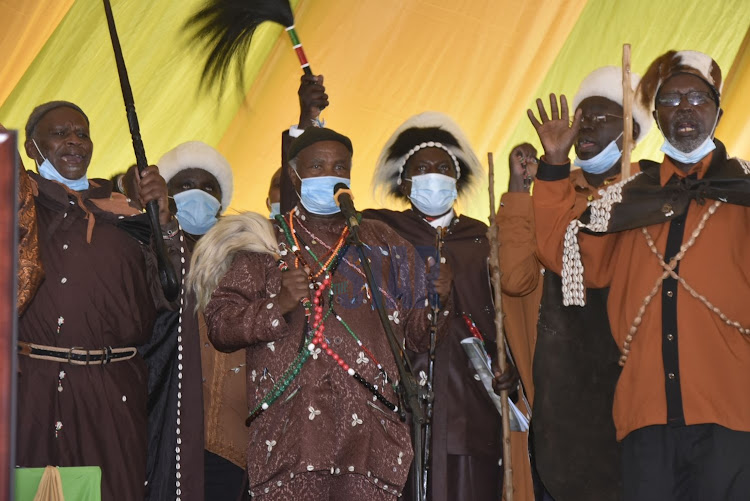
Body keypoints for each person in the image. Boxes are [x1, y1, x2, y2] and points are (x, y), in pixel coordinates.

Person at [528, 50, 750, 500]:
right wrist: (553, 164)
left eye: (696, 97)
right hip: (643, 418)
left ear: (718, 111)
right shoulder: (624, 198)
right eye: (670, 99)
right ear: (657, 115)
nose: (684, 107)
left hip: (733, 412)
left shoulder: (746, 188)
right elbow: (563, 255)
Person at [201, 126, 451, 500]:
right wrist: (277, 306)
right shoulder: (265, 244)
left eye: (339, 167)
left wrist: (438, 301)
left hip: (371, 442)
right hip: (291, 440)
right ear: (294, 174)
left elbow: (418, 336)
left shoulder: (383, 242)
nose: (330, 176)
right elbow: (220, 325)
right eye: (317, 166)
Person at [16, 100, 183, 500]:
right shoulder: (16, 207)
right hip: (34, 391)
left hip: (111, 394)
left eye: (82, 133)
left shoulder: (124, 214)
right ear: (31, 147)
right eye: (59, 133)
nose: (74, 141)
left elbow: (170, 294)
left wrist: (162, 224)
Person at [500, 66, 651, 501]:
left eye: (601, 117)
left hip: (635, 403)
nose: (584, 125)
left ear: (633, 132)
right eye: (581, 116)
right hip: (565, 415)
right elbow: (515, 279)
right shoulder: (554, 190)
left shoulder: (653, 192)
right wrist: (520, 189)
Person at [366, 111, 525, 501]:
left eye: (442, 168)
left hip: (470, 410)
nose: (432, 175)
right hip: (398, 408)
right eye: (421, 168)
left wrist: (511, 370)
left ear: (457, 180)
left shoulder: (484, 239)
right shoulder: (378, 232)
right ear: (404, 182)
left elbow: (509, 318)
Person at [157, 140, 248, 501]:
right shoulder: (150, 249)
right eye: (185, 185)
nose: (198, 194)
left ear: (222, 198)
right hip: (168, 419)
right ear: (166, 195)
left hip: (229, 423)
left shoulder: (246, 254)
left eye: (208, 187)